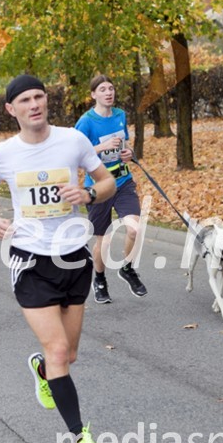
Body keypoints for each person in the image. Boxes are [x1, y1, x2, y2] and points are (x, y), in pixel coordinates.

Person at [0, 75, 116, 443]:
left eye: (39, 97)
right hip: (31, 260)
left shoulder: (73, 141)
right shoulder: (2, 154)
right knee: (58, 352)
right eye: (25, 100)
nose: (34, 104)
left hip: (74, 258)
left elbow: (107, 182)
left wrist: (87, 194)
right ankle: (82, 440)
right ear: (11, 109)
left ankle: (41, 369)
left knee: (67, 354)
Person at [75, 75, 147, 303]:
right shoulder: (86, 122)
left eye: (111, 88)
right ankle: (99, 278)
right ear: (93, 94)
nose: (109, 92)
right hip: (98, 187)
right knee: (103, 241)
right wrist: (100, 147)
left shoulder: (120, 115)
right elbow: (75, 156)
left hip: (123, 181)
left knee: (134, 229)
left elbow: (124, 145)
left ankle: (127, 268)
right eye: (103, 89)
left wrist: (128, 154)